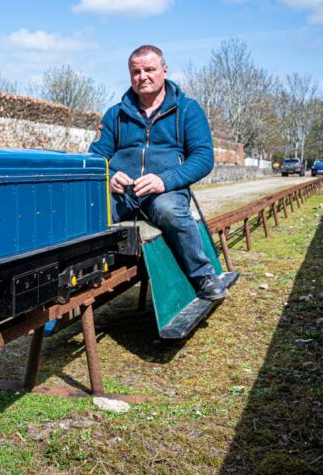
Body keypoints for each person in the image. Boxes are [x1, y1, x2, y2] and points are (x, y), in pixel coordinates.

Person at [89, 45, 226, 300]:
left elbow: (204, 157)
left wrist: (165, 180)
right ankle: (81, 281)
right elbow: (96, 158)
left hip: (166, 191)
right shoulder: (114, 114)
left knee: (168, 211)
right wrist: (109, 177)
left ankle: (203, 275)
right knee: (87, 210)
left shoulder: (187, 109)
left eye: (149, 69)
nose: (143, 76)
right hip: (124, 193)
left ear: (164, 70)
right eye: (136, 71)